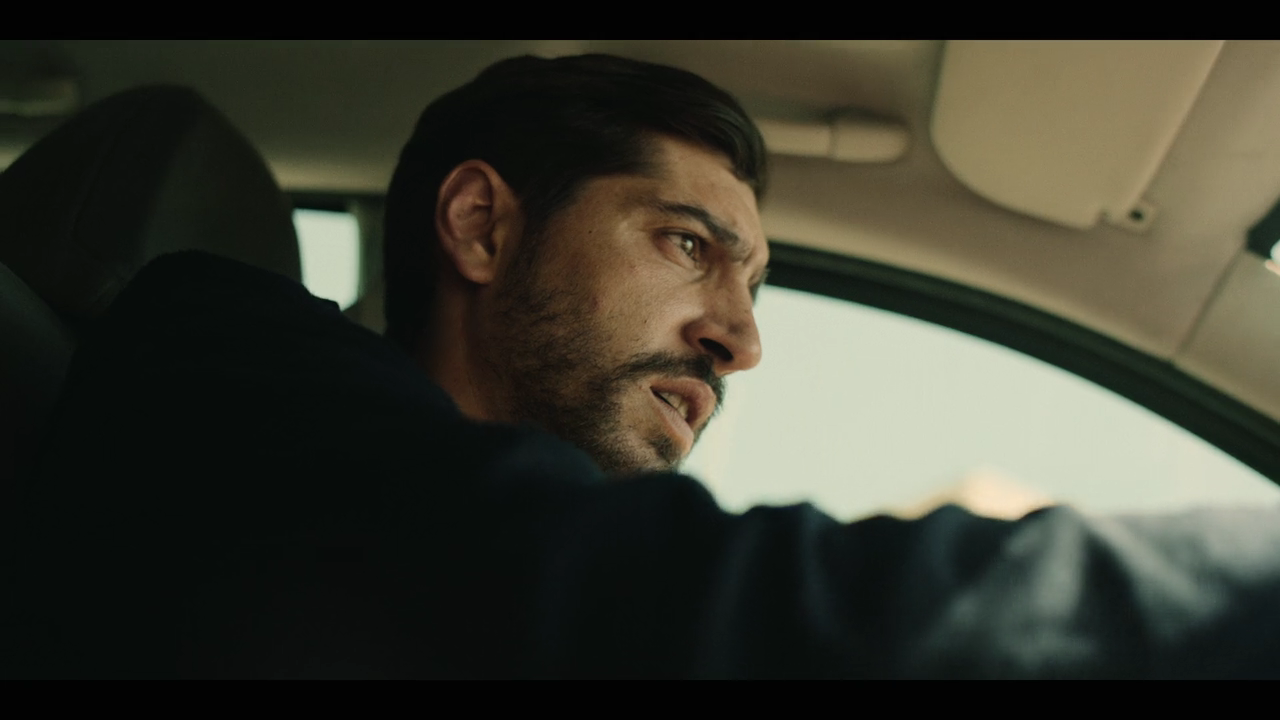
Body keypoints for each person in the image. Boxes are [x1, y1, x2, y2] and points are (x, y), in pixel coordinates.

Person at [9, 53, 1280, 679]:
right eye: (686, 246)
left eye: (751, 283)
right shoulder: (223, 374)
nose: (740, 338)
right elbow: (656, 598)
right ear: (480, 226)